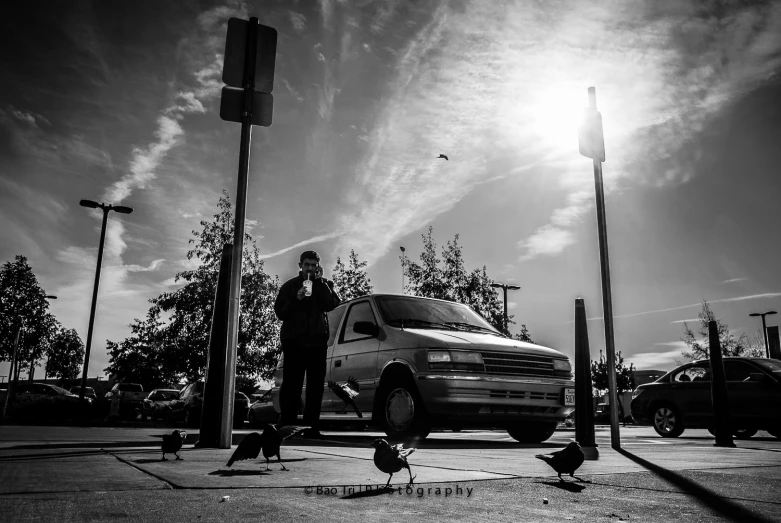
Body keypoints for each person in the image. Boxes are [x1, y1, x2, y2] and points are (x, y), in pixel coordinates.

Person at [274, 250, 341, 439]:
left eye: (313, 265)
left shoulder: (324, 284)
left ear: (318, 266)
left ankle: (312, 428)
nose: (310, 268)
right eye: (307, 265)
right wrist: (297, 299)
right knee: (291, 386)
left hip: (317, 342)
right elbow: (280, 313)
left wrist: (320, 283)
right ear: (300, 265)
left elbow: (332, 304)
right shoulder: (289, 286)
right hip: (294, 342)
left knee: (315, 387)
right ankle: (287, 427)